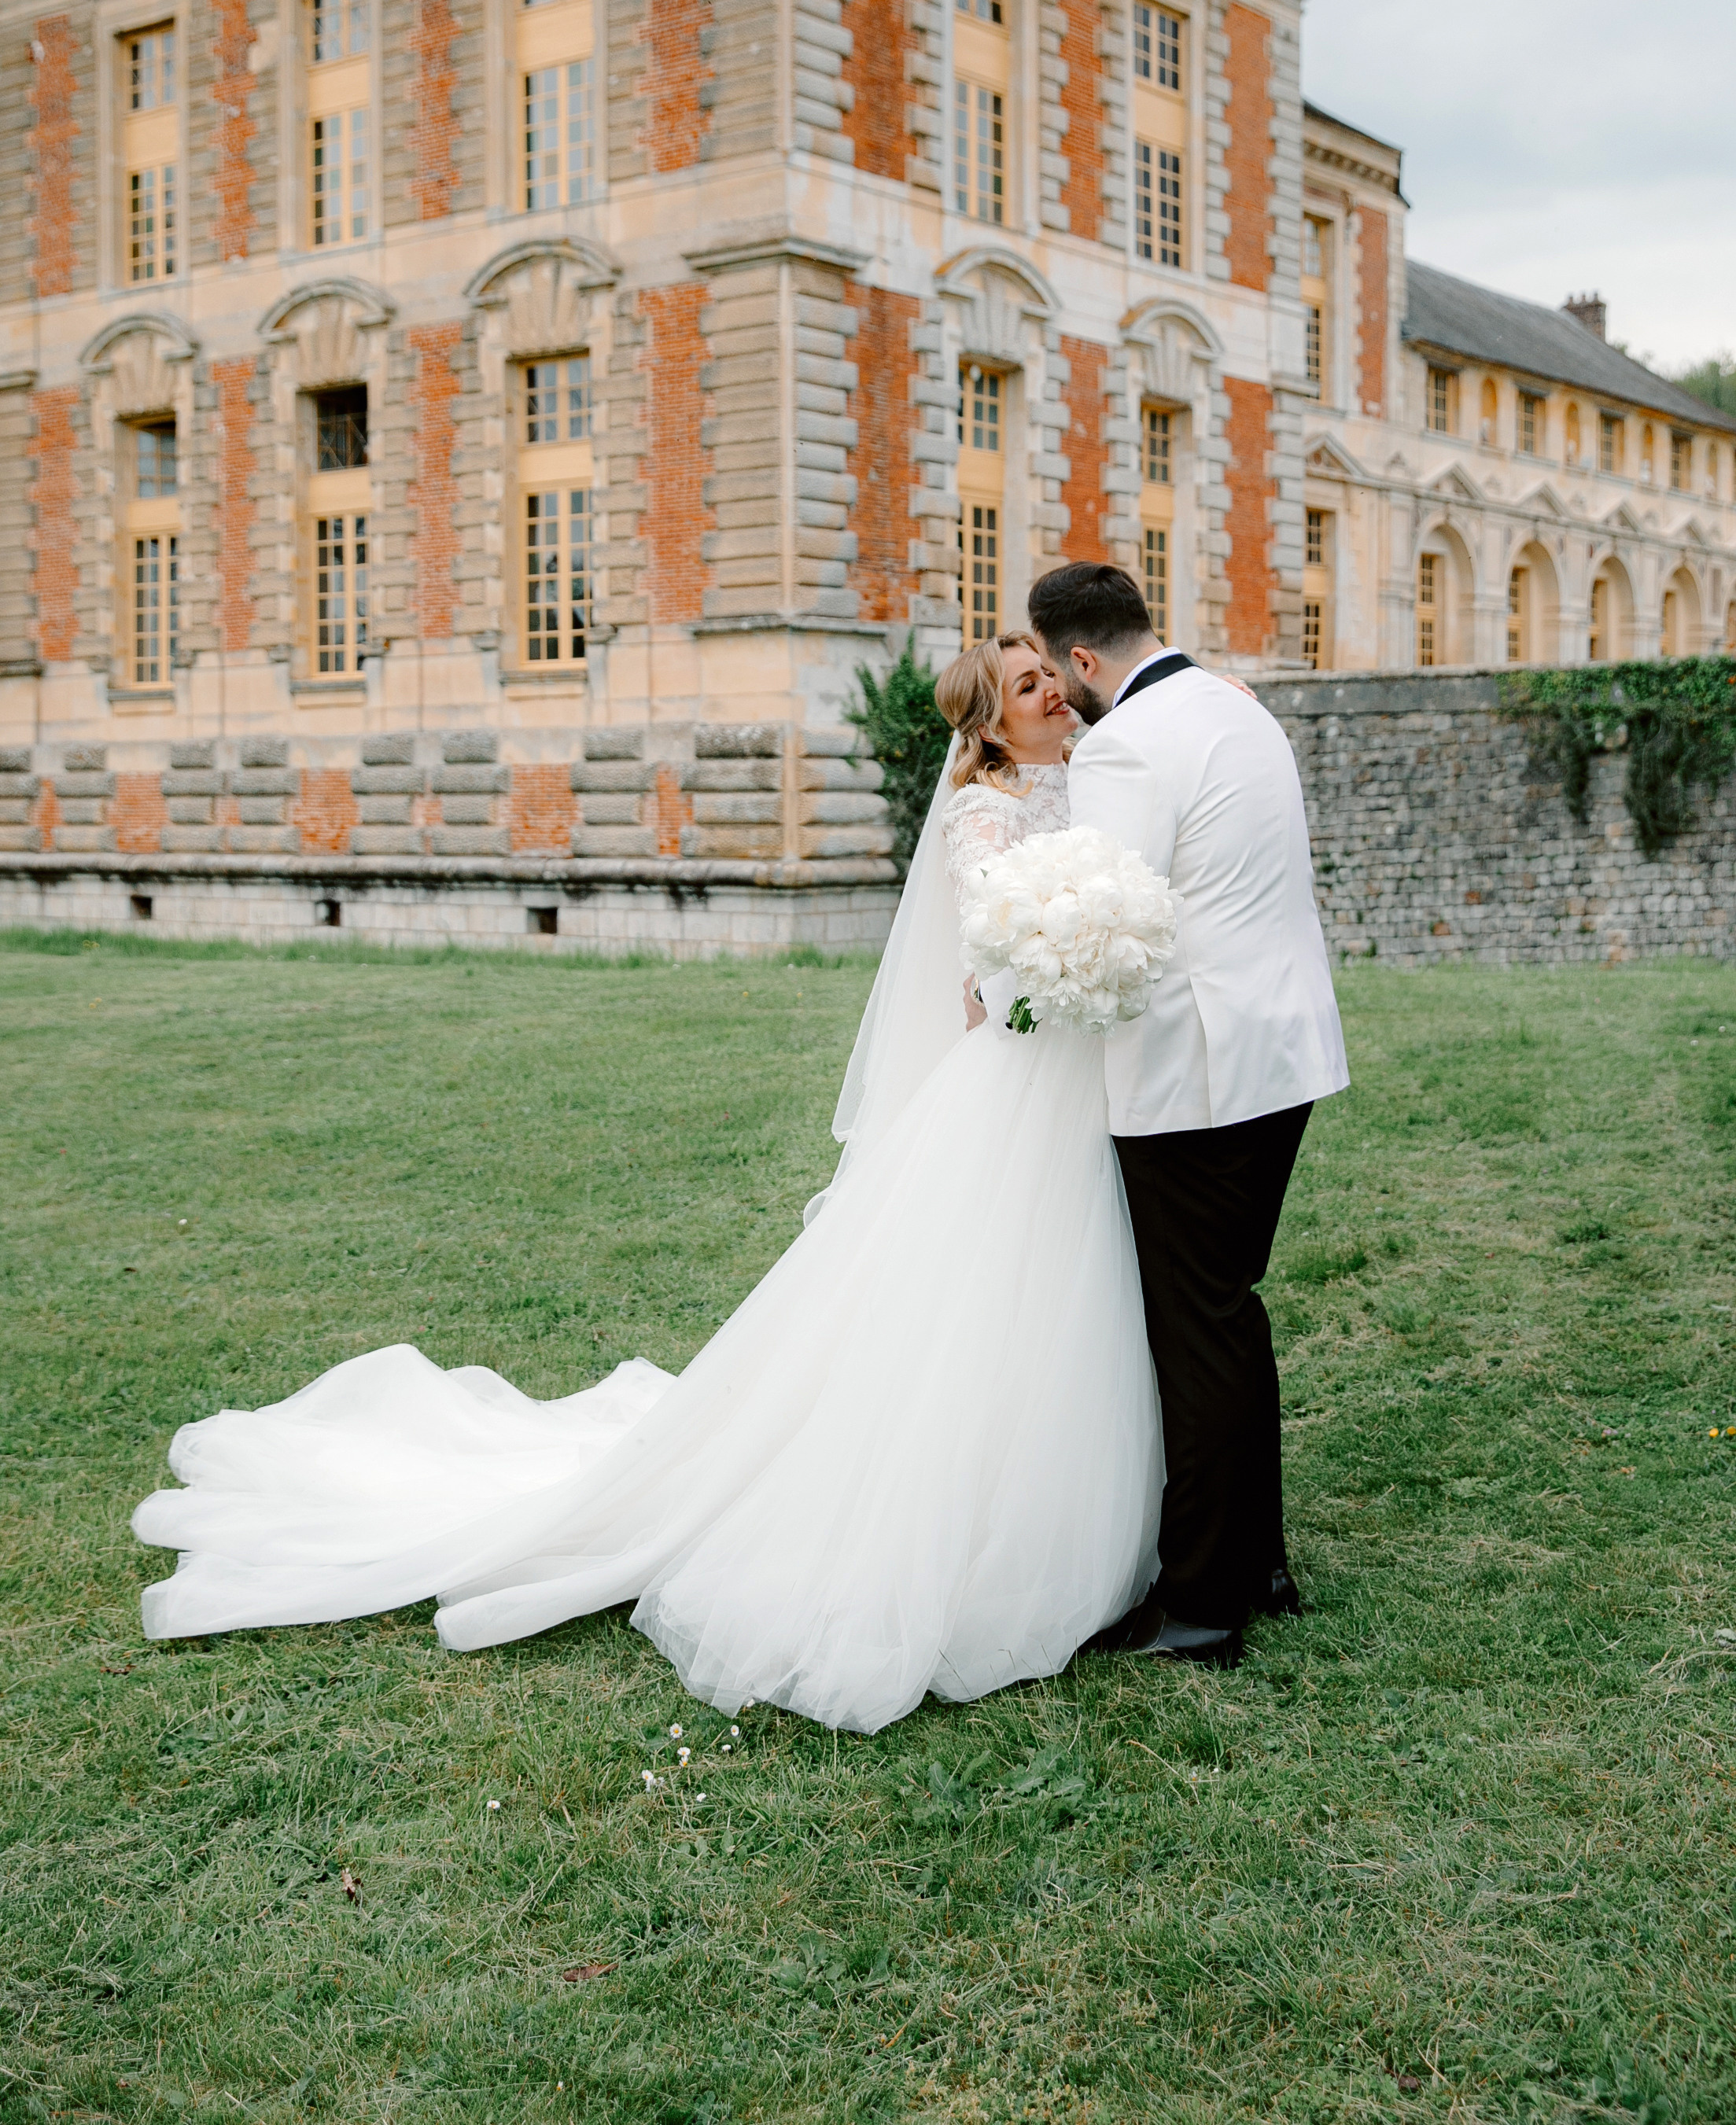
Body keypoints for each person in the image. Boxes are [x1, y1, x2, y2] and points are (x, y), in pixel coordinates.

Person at [131, 635, 1163, 1736]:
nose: (1053, 689)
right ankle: (964, 1533)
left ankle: (1066, 1519)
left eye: (1050, 673)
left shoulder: (1089, 777)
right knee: (977, 1300)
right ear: (991, 723)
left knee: (1055, 1296)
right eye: (1026, 684)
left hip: (1069, 1083)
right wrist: (1051, 968)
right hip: (1012, 1076)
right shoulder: (980, 813)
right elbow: (981, 963)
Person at [1028, 561, 1349, 1671]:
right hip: (1286, 1052)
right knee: (1231, 1308)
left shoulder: (1124, 741)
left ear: (1079, 659)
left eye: (1057, 676)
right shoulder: (1234, 705)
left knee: (1195, 1325)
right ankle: (1257, 1559)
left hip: (1197, 1074)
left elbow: (1109, 912)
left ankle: (1203, 1602)